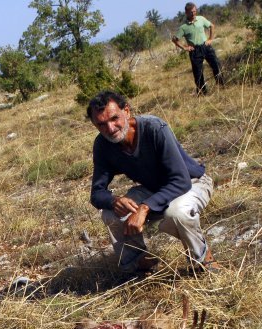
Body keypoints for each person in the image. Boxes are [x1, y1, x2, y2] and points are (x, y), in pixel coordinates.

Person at [87, 90, 220, 274]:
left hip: (192, 182)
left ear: (126, 111)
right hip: (154, 189)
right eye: (101, 124)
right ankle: (140, 266)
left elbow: (181, 180)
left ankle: (203, 263)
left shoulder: (154, 128)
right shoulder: (103, 145)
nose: (110, 128)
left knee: (177, 212)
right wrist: (113, 200)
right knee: (111, 214)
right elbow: (96, 192)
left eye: (114, 118)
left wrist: (145, 207)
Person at [172, 2, 223, 95]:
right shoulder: (183, 27)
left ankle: (222, 86)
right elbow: (175, 39)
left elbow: (211, 26)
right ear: (186, 13)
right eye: (191, 12)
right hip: (195, 51)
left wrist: (210, 39)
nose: (194, 14)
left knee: (216, 65)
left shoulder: (201, 19)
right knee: (198, 73)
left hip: (206, 46)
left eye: (195, 11)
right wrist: (184, 47)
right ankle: (203, 94)